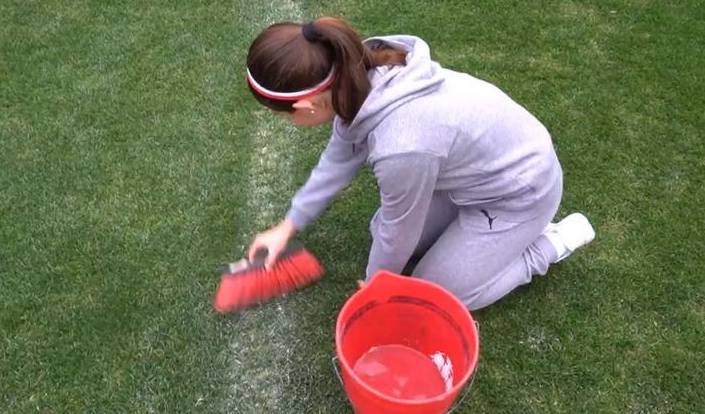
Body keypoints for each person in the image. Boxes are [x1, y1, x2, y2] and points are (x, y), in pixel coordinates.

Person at [245, 16, 595, 310]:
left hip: (521, 195)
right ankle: (475, 235)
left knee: (431, 296)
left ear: (308, 107)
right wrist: (286, 227)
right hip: (472, 181)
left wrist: (375, 286)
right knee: (377, 230)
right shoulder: (357, 76)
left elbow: (400, 230)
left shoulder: (401, 146)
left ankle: (547, 244)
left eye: (282, 116)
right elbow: (337, 161)